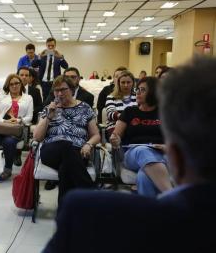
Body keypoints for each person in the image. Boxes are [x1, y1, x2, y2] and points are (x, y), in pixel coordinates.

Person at [42, 56, 216, 253]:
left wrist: (91, 144)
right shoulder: (130, 112)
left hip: (82, 152)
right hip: (112, 150)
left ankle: (161, 195)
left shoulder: (84, 211)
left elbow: (96, 135)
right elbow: (114, 133)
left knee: (142, 174)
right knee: (136, 152)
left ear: (176, 154)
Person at [33, 75, 100, 205]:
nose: (59, 93)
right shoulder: (49, 108)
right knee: (65, 145)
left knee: (65, 169)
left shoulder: (85, 108)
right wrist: (48, 117)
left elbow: (96, 135)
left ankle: (64, 214)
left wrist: (88, 144)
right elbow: (37, 137)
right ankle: (92, 193)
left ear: (72, 89)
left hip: (79, 152)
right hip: (51, 151)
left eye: (63, 89)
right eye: (56, 90)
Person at [110, 77, 172, 197]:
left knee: (144, 176)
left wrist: (166, 146)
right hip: (133, 154)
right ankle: (172, 195)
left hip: (160, 153)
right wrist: (115, 140)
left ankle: (150, 214)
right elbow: (115, 135)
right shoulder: (129, 112)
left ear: (153, 92)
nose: (137, 92)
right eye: (137, 89)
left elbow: (176, 138)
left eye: (142, 90)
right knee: (142, 150)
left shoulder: (165, 112)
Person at [0, 74, 33, 191]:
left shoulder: (28, 98)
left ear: (21, 84)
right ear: (8, 86)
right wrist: (4, 120)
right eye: (11, 84)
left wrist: (18, 120)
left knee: (9, 142)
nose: (14, 86)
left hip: (14, 129)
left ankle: (7, 170)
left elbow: (29, 116)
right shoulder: (1, 96)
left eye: (17, 83)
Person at [104, 70, 137, 139]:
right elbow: (110, 113)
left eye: (128, 82)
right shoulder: (111, 97)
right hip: (115, 126)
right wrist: (125, 117)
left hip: (135, 126)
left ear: (133, 83)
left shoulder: (138, 96)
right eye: (123, 82)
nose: (126, 85)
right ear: (118, 83)